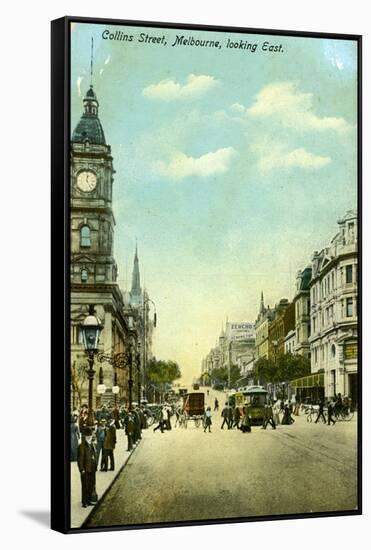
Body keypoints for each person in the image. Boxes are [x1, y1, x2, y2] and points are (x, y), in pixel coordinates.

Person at [77, 427, 97, 508]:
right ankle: (84, 502)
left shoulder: (92, 444)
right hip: (85, 470)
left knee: (91, 485)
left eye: (90, 436)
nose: (89, 438)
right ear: (85, 437)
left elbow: (94, 456)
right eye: (88, 437)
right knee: (85, 486)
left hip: (92, 469)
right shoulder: (82, 446)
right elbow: (80, 459)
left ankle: (89, 500)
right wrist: (81, 469)